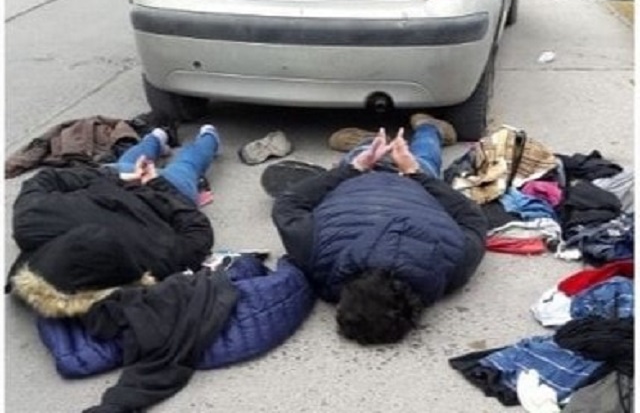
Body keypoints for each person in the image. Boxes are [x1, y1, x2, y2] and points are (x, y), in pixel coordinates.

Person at [267, 114, 488, 345]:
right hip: (368, 177)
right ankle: (382, 142)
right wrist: (353, 169)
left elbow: (473, 219)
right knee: (374, 155)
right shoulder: (315, 257)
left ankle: (416, 133)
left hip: (410, 181)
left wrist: (417, 174)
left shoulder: (453, 268)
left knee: (423, 159)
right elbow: (288, 204)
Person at [7, 125, 220, 317]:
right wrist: (139, 181)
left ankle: (205, 136)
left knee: (187, 165)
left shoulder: (154, 261)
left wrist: (152, 185)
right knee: (142, 160)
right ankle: (163, 136)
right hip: (130, 182)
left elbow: (197, 231)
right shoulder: (32, 220)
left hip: (158, 194)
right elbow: (46, 179)